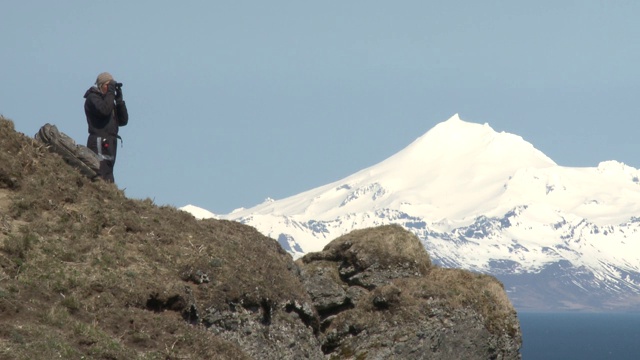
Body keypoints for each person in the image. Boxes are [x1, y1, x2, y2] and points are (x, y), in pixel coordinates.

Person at [84, 72, 129, 183]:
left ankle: (108, 195)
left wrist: (119, 101)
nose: (110, 89)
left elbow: (123, 121)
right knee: (100, 173)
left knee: (108, 175)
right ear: (101, 85)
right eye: (108, 85)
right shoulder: (92, 98)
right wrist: (110, 93)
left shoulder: (108, 101)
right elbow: (104, 111)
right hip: (99, 141)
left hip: (110, 141)